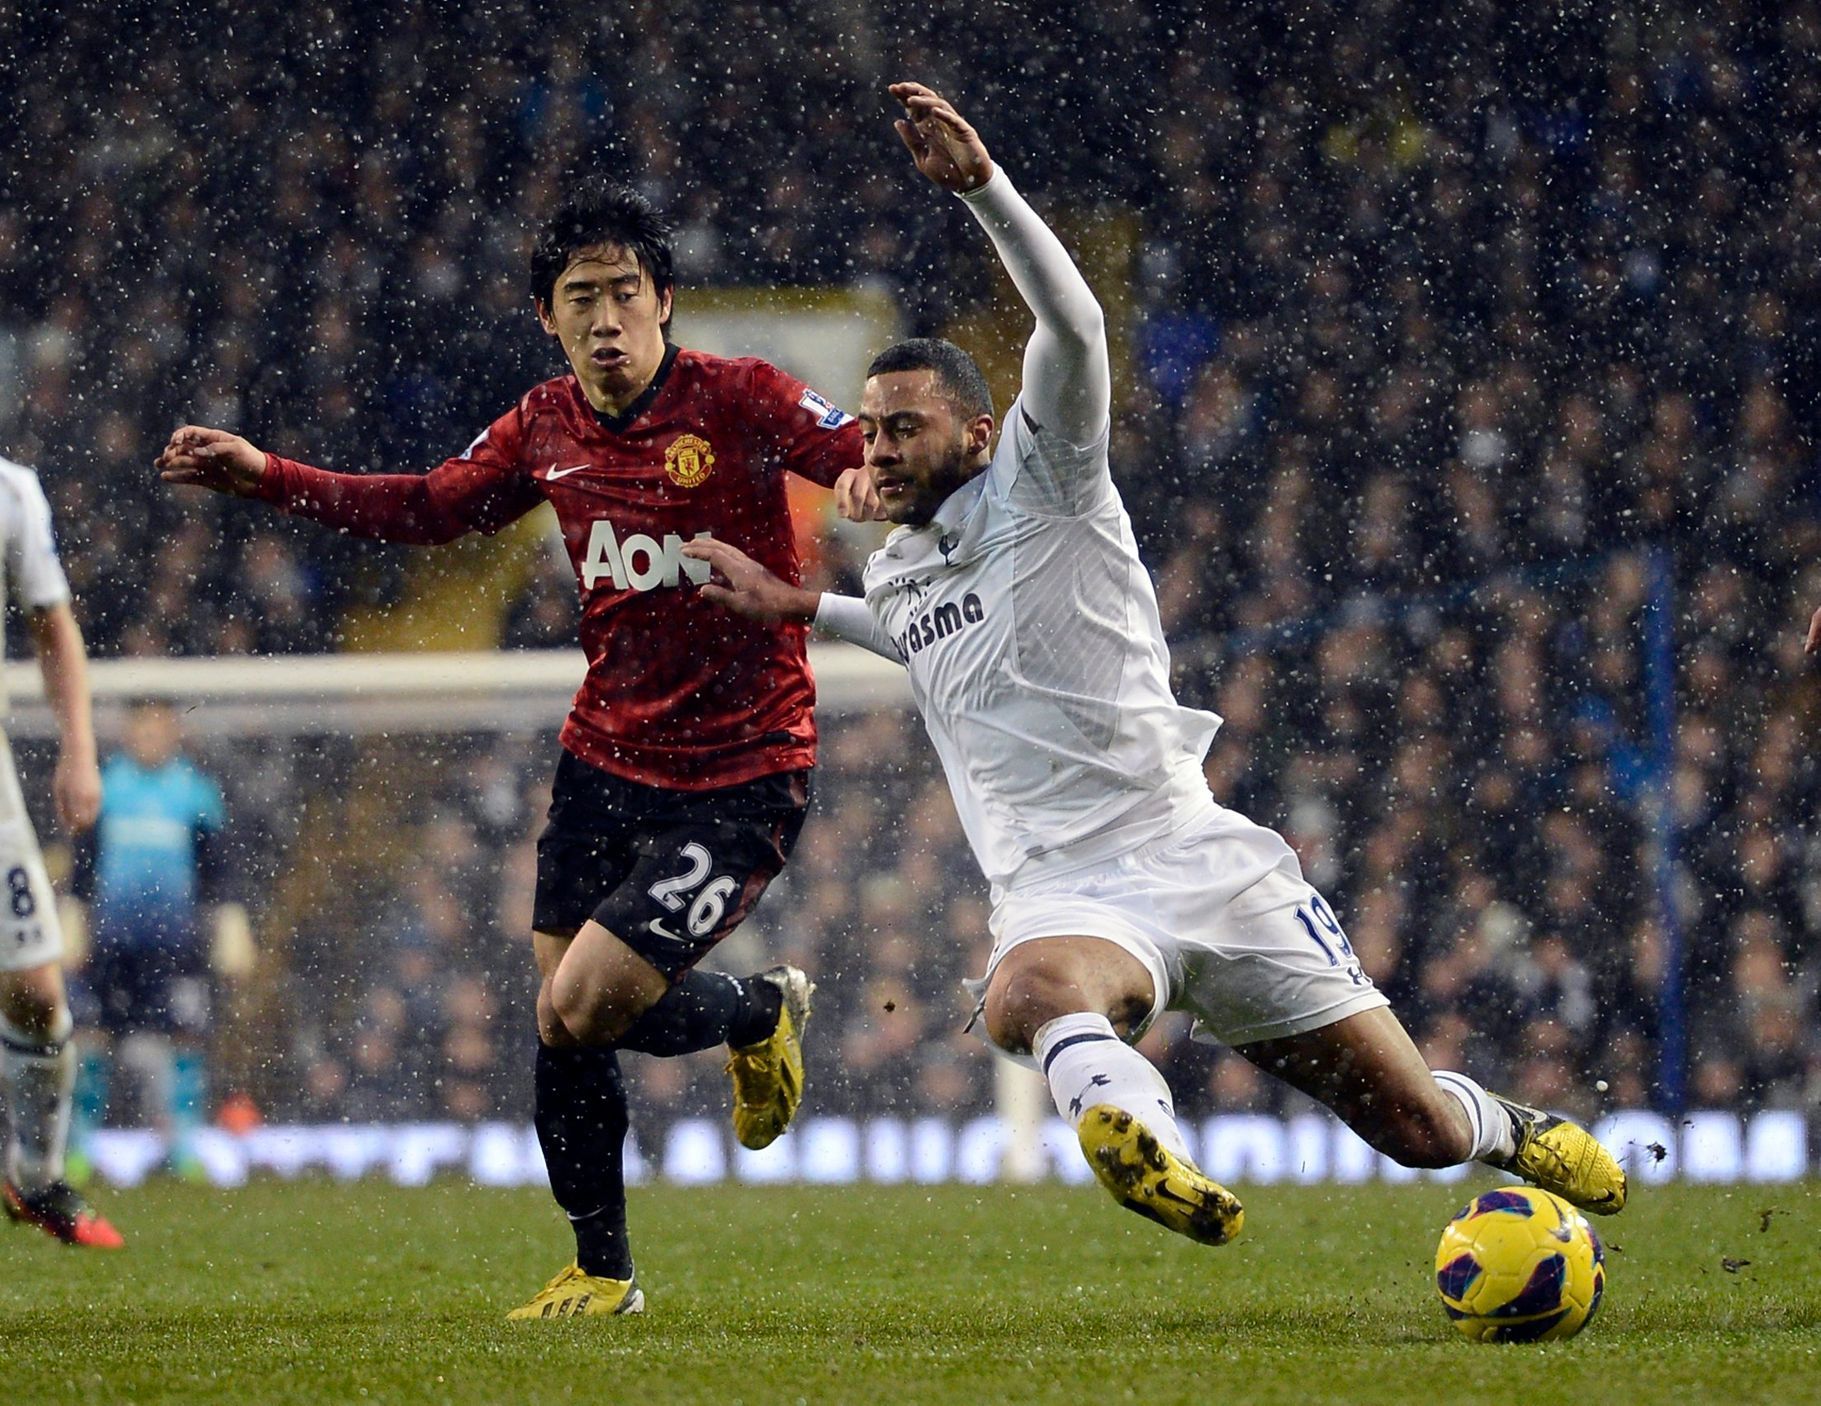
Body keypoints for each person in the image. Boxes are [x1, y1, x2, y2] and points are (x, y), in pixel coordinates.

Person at [685, 81, 1627, 1247]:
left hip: (1192, 849)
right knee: (1021, 996)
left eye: (905, 426)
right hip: (1061, 888)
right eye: (871, 431)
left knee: (1418, 1126)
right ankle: (1148, 1145)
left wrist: (985, 191)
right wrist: (802, 604)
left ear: (977, 433)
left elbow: (1073, 327)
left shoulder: (1048, 473)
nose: (878, 447)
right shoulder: (893, 574)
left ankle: (1507, 1129)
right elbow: (916, 638)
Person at [157, 180, 873, 1316]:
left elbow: (853, 451)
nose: (604, 320)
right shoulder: (544, 425)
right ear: (546, 315)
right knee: (564, 1019)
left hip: (741, 771)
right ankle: (607, 1269)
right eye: (579, 298)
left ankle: (750, 1009)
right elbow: (430, 507)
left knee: (588, 1002)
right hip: (603, 761)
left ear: (666, 300)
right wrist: (270, 476)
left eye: (624, 295)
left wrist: (873, 475)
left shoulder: (739, 397)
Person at [0, 453, 121, 1249]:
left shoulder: (11, 494)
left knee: (39, 994)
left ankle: (35, 1177)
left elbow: (53, 622)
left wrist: (79, 750)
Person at [67, 697, 242, 1179]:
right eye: (141, 729)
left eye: (158, 729)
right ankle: (79, 1148)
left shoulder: (196, 792)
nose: (149, 737)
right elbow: (83, 864)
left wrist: (230, 924)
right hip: (110, 940)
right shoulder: (105, 785)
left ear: (173, 733)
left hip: (176, 943)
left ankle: (182, 1148)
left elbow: (217, 869)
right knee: (90, 1040)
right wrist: (74, 922)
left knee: (185, 1040)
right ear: (128, 733)